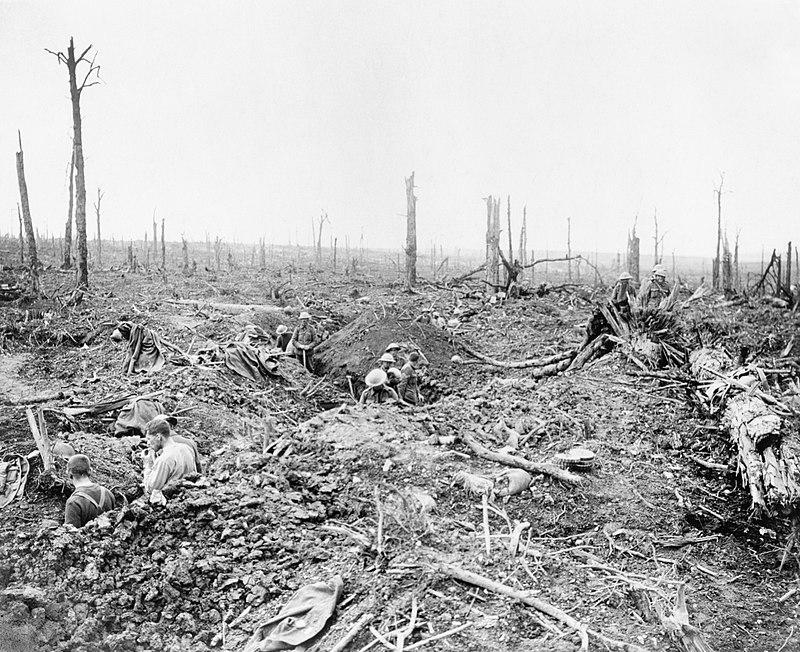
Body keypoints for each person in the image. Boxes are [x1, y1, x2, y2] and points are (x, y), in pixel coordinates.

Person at [143, 417, 197, 504]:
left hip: (172, 503)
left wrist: (148, 463)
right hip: (190, 498)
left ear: (158, 437)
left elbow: (151, 489)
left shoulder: (164, 459)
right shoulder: (186, 448)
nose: (148, 443)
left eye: (149, 439)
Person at [64, 454, 115, 528]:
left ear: (69, 473)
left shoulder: (73, 502)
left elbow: (70, 536)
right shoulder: (108, 493)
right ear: (90, 471)